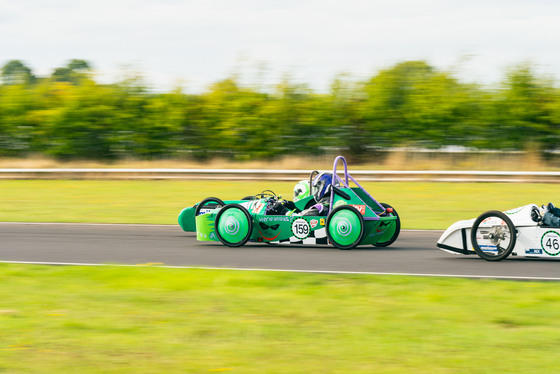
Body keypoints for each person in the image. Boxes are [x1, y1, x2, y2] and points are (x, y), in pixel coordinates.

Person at [268, 173, 334, 216]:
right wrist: (293, 206)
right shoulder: (331, 204)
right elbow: (306, 213)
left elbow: (299, 218)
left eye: (316, 189)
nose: (315, 192)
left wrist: (283, 210)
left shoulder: (320, 207)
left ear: (323, 188)